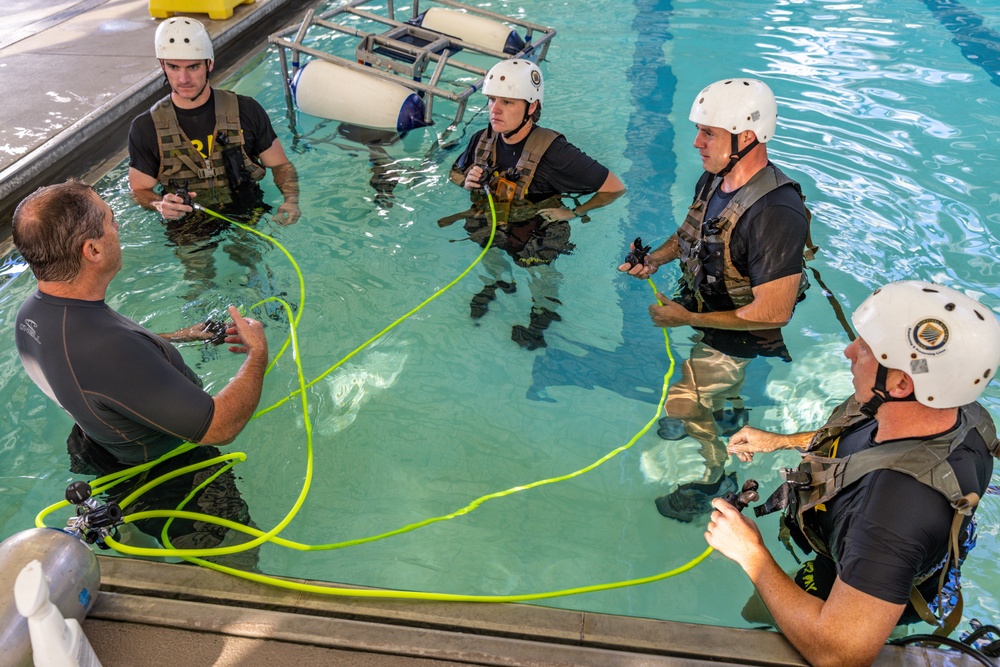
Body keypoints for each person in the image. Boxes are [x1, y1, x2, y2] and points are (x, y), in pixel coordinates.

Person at [706, 280, 1000, 667]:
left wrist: (750, 553)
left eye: (866, 350)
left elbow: (840, 653)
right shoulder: (961, 414)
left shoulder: (891, 515)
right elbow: (861, 444)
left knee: (754, 617)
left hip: (854, 591)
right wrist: (778, 441)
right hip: (891, 564)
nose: (849, 351)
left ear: (900, 383)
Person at [12, 179, 269, 567]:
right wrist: (258, 354)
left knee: (131, 543)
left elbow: (105, 361)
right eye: (111, 222)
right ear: (92, 249)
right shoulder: (107, 350)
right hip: (169, 476)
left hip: (97, 448)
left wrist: (182, 337)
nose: (118, 230)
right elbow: (220, 426)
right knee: (239, 561)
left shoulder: (33, 314)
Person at [618, 78, 810, 521]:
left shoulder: (776, 213)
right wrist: (654, 260)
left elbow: (774, 312)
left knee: (679, 404)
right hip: (707, 311)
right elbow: (691, 233)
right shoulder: (716, 178)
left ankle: (715, 473)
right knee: (706, 393)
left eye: (709, 133)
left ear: (746, 138)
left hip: (743, 330)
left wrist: (686, 319)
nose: (696, 141)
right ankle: (727, 411)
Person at [445, 58, 625, 350]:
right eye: (492, 100)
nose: (495, 110)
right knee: (487, 243)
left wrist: (573, 212)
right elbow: (456, 172)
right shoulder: (483, 138)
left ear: (531, 107)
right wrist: (468, 179)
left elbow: (614, 188)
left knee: (539, 272)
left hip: (534, 229)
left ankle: (542, 318)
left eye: (508, 102)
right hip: (494, 219)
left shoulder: (556, 153)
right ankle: (497, 283)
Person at [128, 17, 300, 313]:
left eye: (193, 67)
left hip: (244, 209)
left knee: (257, 273)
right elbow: (140, 189)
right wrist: (159, 204)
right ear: (162, 66)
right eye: (174, 67)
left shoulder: (246, 110)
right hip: (188, 223)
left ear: (209, 63)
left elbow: (280, 165)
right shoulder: (146, 127)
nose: (183, 79)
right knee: (199, 285)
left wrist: (291, 200)